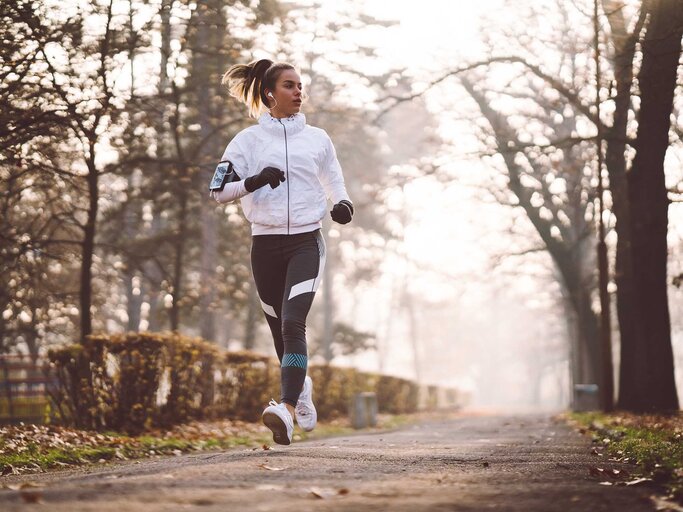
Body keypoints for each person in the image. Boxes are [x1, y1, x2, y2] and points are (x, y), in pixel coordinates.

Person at [209, 59, 354, 445]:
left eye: (300, 85)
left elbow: (335, 181)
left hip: (306, 241)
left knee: (293, 322)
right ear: (270, 93)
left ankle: (286, 410)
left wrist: (342, 204)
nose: (298, 91)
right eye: (289, 85)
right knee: (278, 332)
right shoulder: (246, 142)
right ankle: (301, 386)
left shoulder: (318, 139)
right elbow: (218, 192)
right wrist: (254, 181)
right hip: (265, 245)